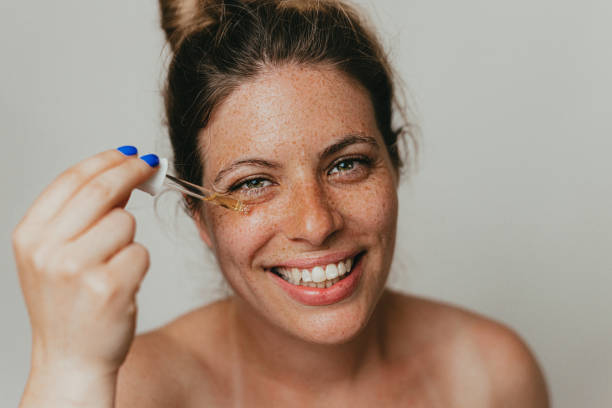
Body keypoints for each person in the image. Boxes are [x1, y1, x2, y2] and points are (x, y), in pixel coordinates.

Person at [13, 0, 549, 406]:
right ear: (199, 215)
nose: (316, 224)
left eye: (347, 164)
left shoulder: (491, 375)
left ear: (395, 163)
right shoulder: (127, 391)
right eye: (252, 183)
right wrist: (65, 369)